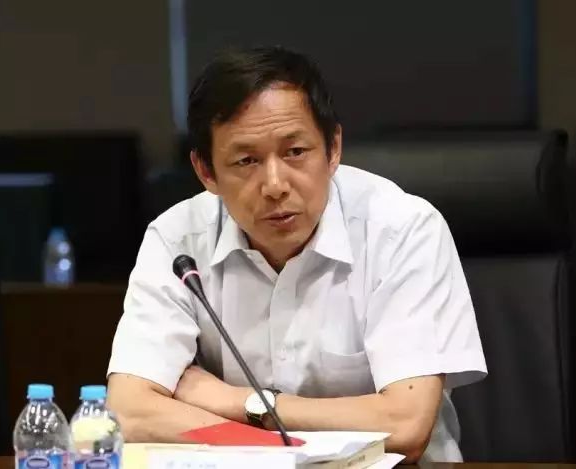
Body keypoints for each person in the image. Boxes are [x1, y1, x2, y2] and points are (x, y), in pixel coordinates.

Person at [106, 46, 486, 462]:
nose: (275, 185)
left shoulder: (402, 230)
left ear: (333, 148)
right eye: (246, 160)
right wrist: (276, 450)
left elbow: (406, 425)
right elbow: (130, 411)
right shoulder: (177, 240)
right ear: (206, 172)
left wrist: (245, 403)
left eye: (295, 152)